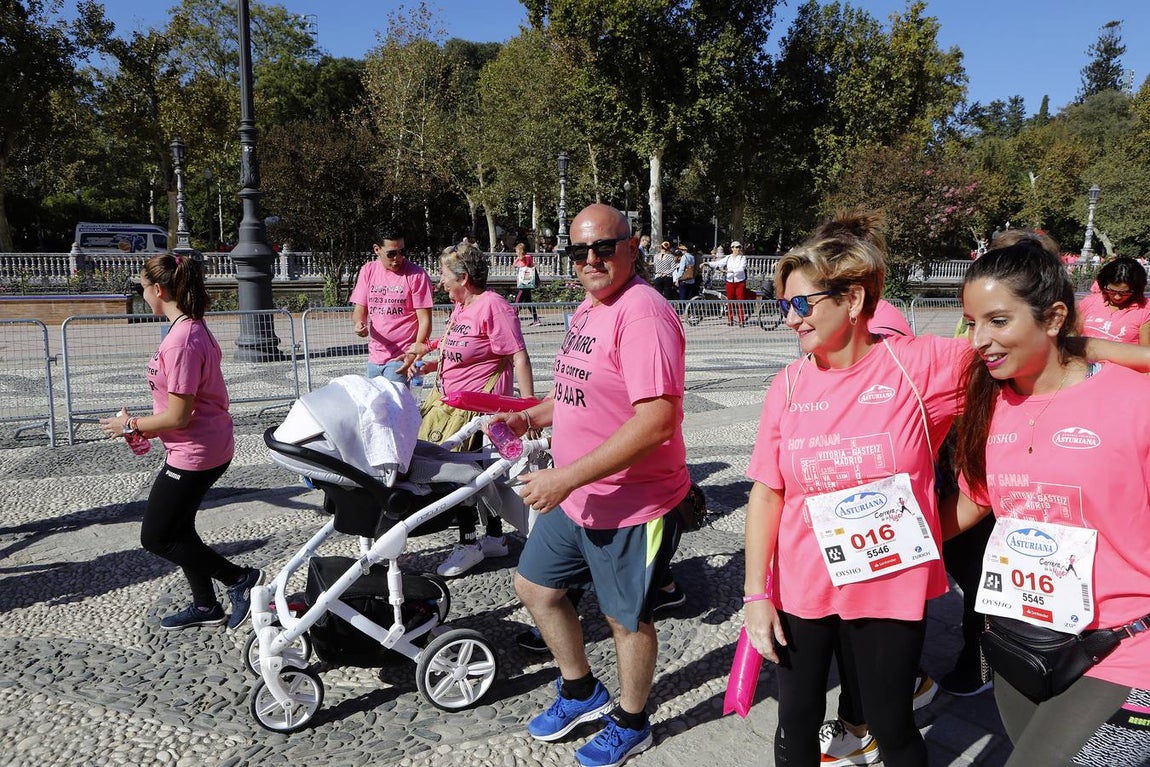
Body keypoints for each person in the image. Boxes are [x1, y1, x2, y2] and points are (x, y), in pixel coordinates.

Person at [744, 211, 972, 767]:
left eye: (803, 304)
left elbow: (1027, 367)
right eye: (784, 306)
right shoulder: (789, 384)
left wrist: (944, 521)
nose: (792, 319)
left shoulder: (919, 366)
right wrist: (755, 596)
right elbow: (768, 493)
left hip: (888, 585)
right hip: (805, 586)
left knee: (891, 725)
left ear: (852, 300)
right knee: (794, 724)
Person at [495, 203, 690, 767]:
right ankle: (582, 691)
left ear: (632, 248)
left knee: (625, 620)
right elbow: (579, 391)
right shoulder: (588, 308)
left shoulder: (643, 314)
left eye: (603, 248)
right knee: (536, 587)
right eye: (578, 251)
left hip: (633, 502)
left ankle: (632, 721)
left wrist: (563, 478)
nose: (590, 260)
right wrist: (531, 417)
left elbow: (656, 420)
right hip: (577, 493)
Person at [949, 241, 1150, 767]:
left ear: (1055, 316)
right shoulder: (989, 403)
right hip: (1021, 643)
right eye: (971, 322)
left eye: (997, 320)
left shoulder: (1135, 401)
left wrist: (1097, 348)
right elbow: (974, 503)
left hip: (1126, 648)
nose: (980, 341)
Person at [99, 254, 261, 631]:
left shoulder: (183, 341)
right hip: (200, 445)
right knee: (180, 529)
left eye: (142, 289)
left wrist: (130, 424)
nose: (142, 297)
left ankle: (239, 579)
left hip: (196, 452)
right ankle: (205, 607)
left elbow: (178, 416)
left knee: (156, 536)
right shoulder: (189, 329)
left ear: (158, 290)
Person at [413, 244, 536, 578]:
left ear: (464, 278)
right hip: (452, 406)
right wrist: (431, 366)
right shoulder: (461, 306)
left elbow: (518, 356)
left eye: (444, 277)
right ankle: (495, 539)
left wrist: (529, 412)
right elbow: (464, 351)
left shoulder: (494, 307)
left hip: (479, 411)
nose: (440, 284)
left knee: (463, 474)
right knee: (477, 474)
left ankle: (469, 544)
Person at [350, 225, 434, 383]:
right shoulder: (368, 270)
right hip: (375, 357)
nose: (398, 258)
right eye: (391, 254)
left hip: (401, 357)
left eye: (402, 251)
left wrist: (413, 353)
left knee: (393, 406)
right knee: (376, 406)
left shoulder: (417, 275)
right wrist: (359, 324)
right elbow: (359, 311)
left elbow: (425, 321)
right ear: (377, 249)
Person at [1076, 256, 1150, 345]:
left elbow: (1145, 352)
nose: (1117, 297)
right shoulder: (1090, 302)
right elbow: (1074, 334)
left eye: (1125, 292)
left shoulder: (1145, 310)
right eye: (1111, 291)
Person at [708, 241, 749, 326]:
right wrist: (707, 263)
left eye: (739, 247)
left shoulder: (743, 258)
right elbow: (718, 263)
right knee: (729, 302)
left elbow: (741, 268)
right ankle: (730, 320)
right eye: (735, 247)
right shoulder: (728, 258)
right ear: (732, 248)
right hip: (730, 282)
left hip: (740, 282)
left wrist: (729, 271)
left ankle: (741, 320)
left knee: (740, 302)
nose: (737, 249)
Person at [513, 242, 541, 326]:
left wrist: (519, 257)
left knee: (518, 300)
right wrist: (518, 257)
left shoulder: (527, 257)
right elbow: (514, 265)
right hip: (524, 283)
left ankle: (514, 317)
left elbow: (525, 264)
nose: (516, 252)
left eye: (517, 251)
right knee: (528, 302)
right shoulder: (521, 258)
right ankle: (536, 319)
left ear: (520, 251)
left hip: (525, 283)